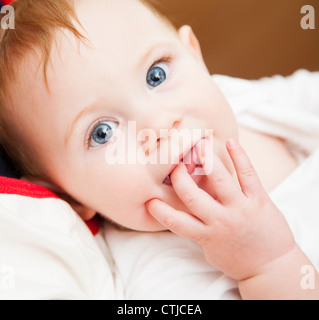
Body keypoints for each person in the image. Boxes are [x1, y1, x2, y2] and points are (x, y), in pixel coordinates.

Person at [0, 0, 318, 299]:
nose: (158, 125)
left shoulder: (245, 106)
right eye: (102, 132)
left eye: (157, 75)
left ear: (195, 56)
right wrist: (269, 264)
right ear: (68, 197)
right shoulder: (161, 275)